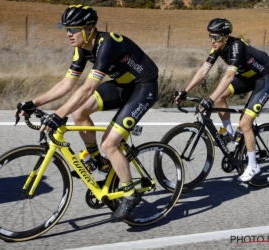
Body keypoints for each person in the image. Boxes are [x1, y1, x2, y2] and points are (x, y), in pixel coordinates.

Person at [16, 4, 159, 221]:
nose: (68, 34)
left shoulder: (107, 44)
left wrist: (58, 114)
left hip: (144, 87)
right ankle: (98, 160)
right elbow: (66, 84)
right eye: (66, 29)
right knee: (80, 112)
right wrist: (33, 102)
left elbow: (88, 87)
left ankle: (130, 193)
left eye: (73, 29)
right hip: (122, 85)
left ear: (90, 28)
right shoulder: (82, 48)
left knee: (109, 144)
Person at [175, 18, 269, 182]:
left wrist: (209, 99)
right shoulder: (218, 48)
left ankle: (253, 165)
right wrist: (185, 91)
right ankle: (230, 134)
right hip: (248, 77)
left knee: (245, 123)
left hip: (264, 78)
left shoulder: (236, 47)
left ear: (226, 36)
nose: (213, 41)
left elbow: (228, 76)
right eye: (211, 37)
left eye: (217, 37)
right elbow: (203, 71)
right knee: (219, 98)